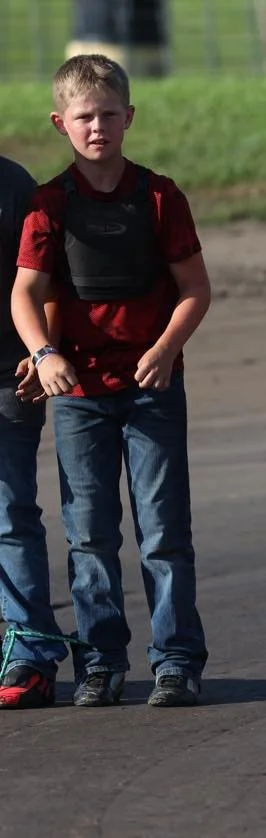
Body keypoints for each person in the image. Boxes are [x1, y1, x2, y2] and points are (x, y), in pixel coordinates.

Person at [11, 54, 211, 708]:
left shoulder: (159, 197)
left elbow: (195, 290)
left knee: (163, 531)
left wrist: (165, 348)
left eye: (107, 115)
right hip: (79, 398)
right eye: (84, 117)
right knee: (89, 533)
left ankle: (176, 660)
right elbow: (25, 294)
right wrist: (43, 354)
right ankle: (100, 663)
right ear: (60, 123)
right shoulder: (48, 204)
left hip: (152, 389)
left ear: (129, 117)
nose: (97, 127)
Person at [0, 156, 69, 709]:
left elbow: (45, 278)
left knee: (9, 515)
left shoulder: (13, 184)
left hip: (9, 375)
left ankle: (30, 654)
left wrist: (40, 348)